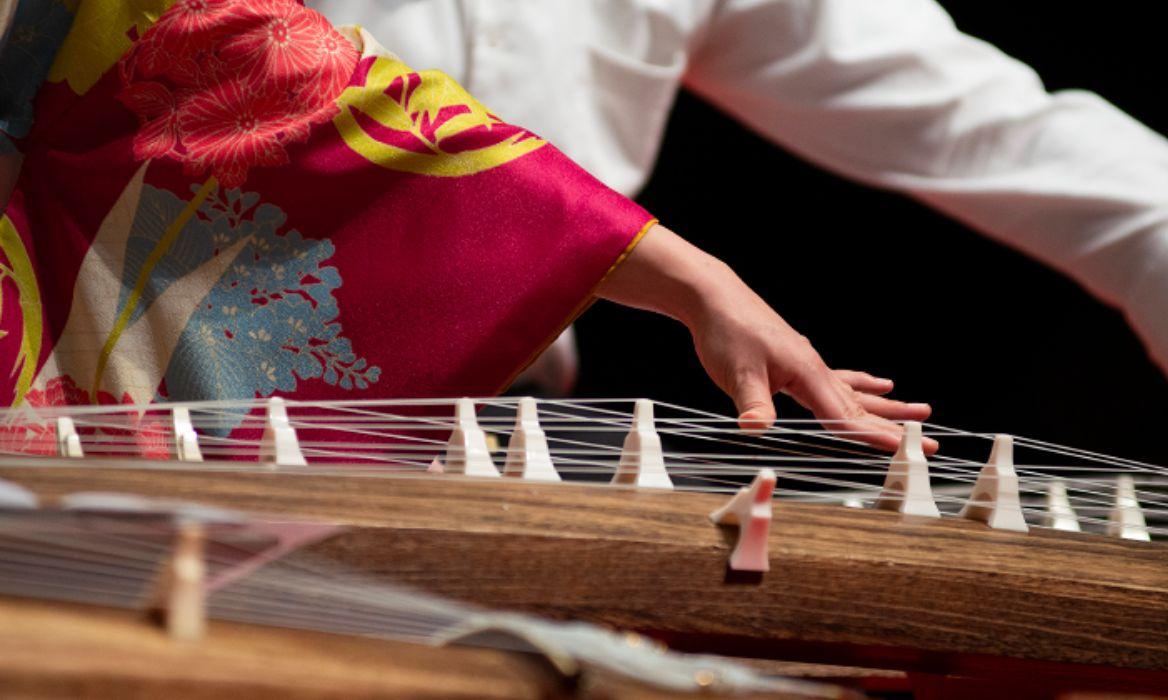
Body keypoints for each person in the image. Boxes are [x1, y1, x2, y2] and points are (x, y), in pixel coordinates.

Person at [306, 0, 1168, 492]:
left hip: (510, 439)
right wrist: (692, 280)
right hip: (215, 386)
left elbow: (964, 109)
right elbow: (262, 92)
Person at [0, 0, 930, 453]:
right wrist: (694, 281)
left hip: (525, 410)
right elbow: (240, 68)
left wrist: (696, 282)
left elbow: (955, 108)